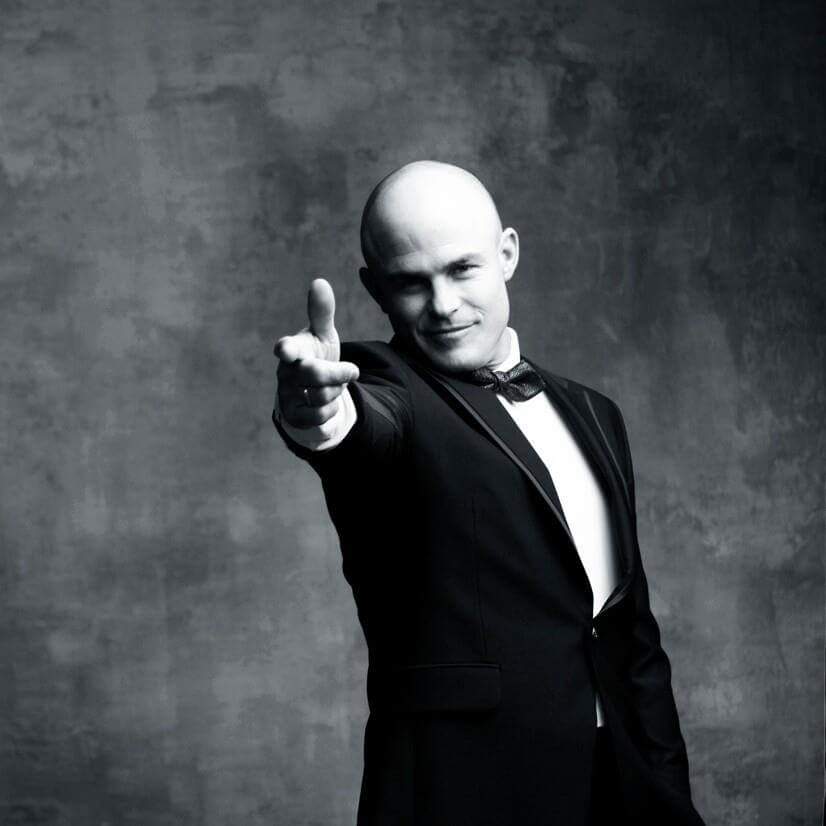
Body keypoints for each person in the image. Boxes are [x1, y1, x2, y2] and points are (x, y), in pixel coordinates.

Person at [272, 160, 705, 826]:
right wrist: (318, 413)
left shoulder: (596, 414)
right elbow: (358, 428)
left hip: (625, 785)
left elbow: (629, 629)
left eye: (462, 269)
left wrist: (666, 785)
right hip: (467, 791)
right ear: (375, 289)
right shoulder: (387, 384)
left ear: (507, 253)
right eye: (410, 283)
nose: (443, 304)